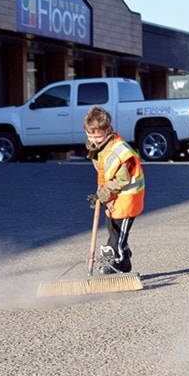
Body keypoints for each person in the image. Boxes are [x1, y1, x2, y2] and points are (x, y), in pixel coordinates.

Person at [83, 105, 145, 274]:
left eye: (98, 137)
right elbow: (105, 171)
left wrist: (104, 193)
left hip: (127, 199)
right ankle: (124, 263)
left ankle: (114, 263)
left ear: (108, 130)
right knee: (112, 228)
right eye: (90, 136)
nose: (94, 140)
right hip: (115, 199)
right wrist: (101, 194)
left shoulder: (119, 150)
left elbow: (123, 179)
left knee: (117, 235)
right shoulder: (101, 147)